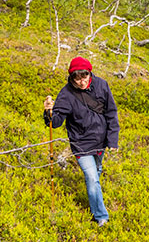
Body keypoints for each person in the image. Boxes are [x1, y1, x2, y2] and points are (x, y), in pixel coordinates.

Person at [44, 57, 119, 226]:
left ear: (89, 73)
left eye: (84, 76)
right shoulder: (66, 94)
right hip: (81, 143)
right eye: (77, 78)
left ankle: (94, 198)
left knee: (96, 173)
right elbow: (55, 123)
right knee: (92, 178)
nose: (81, 81)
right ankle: (101, 217)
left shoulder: (102, 85)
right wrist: (48, 112)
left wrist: (112, 139)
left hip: (100, 140)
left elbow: (111, 113)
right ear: (71, 77)